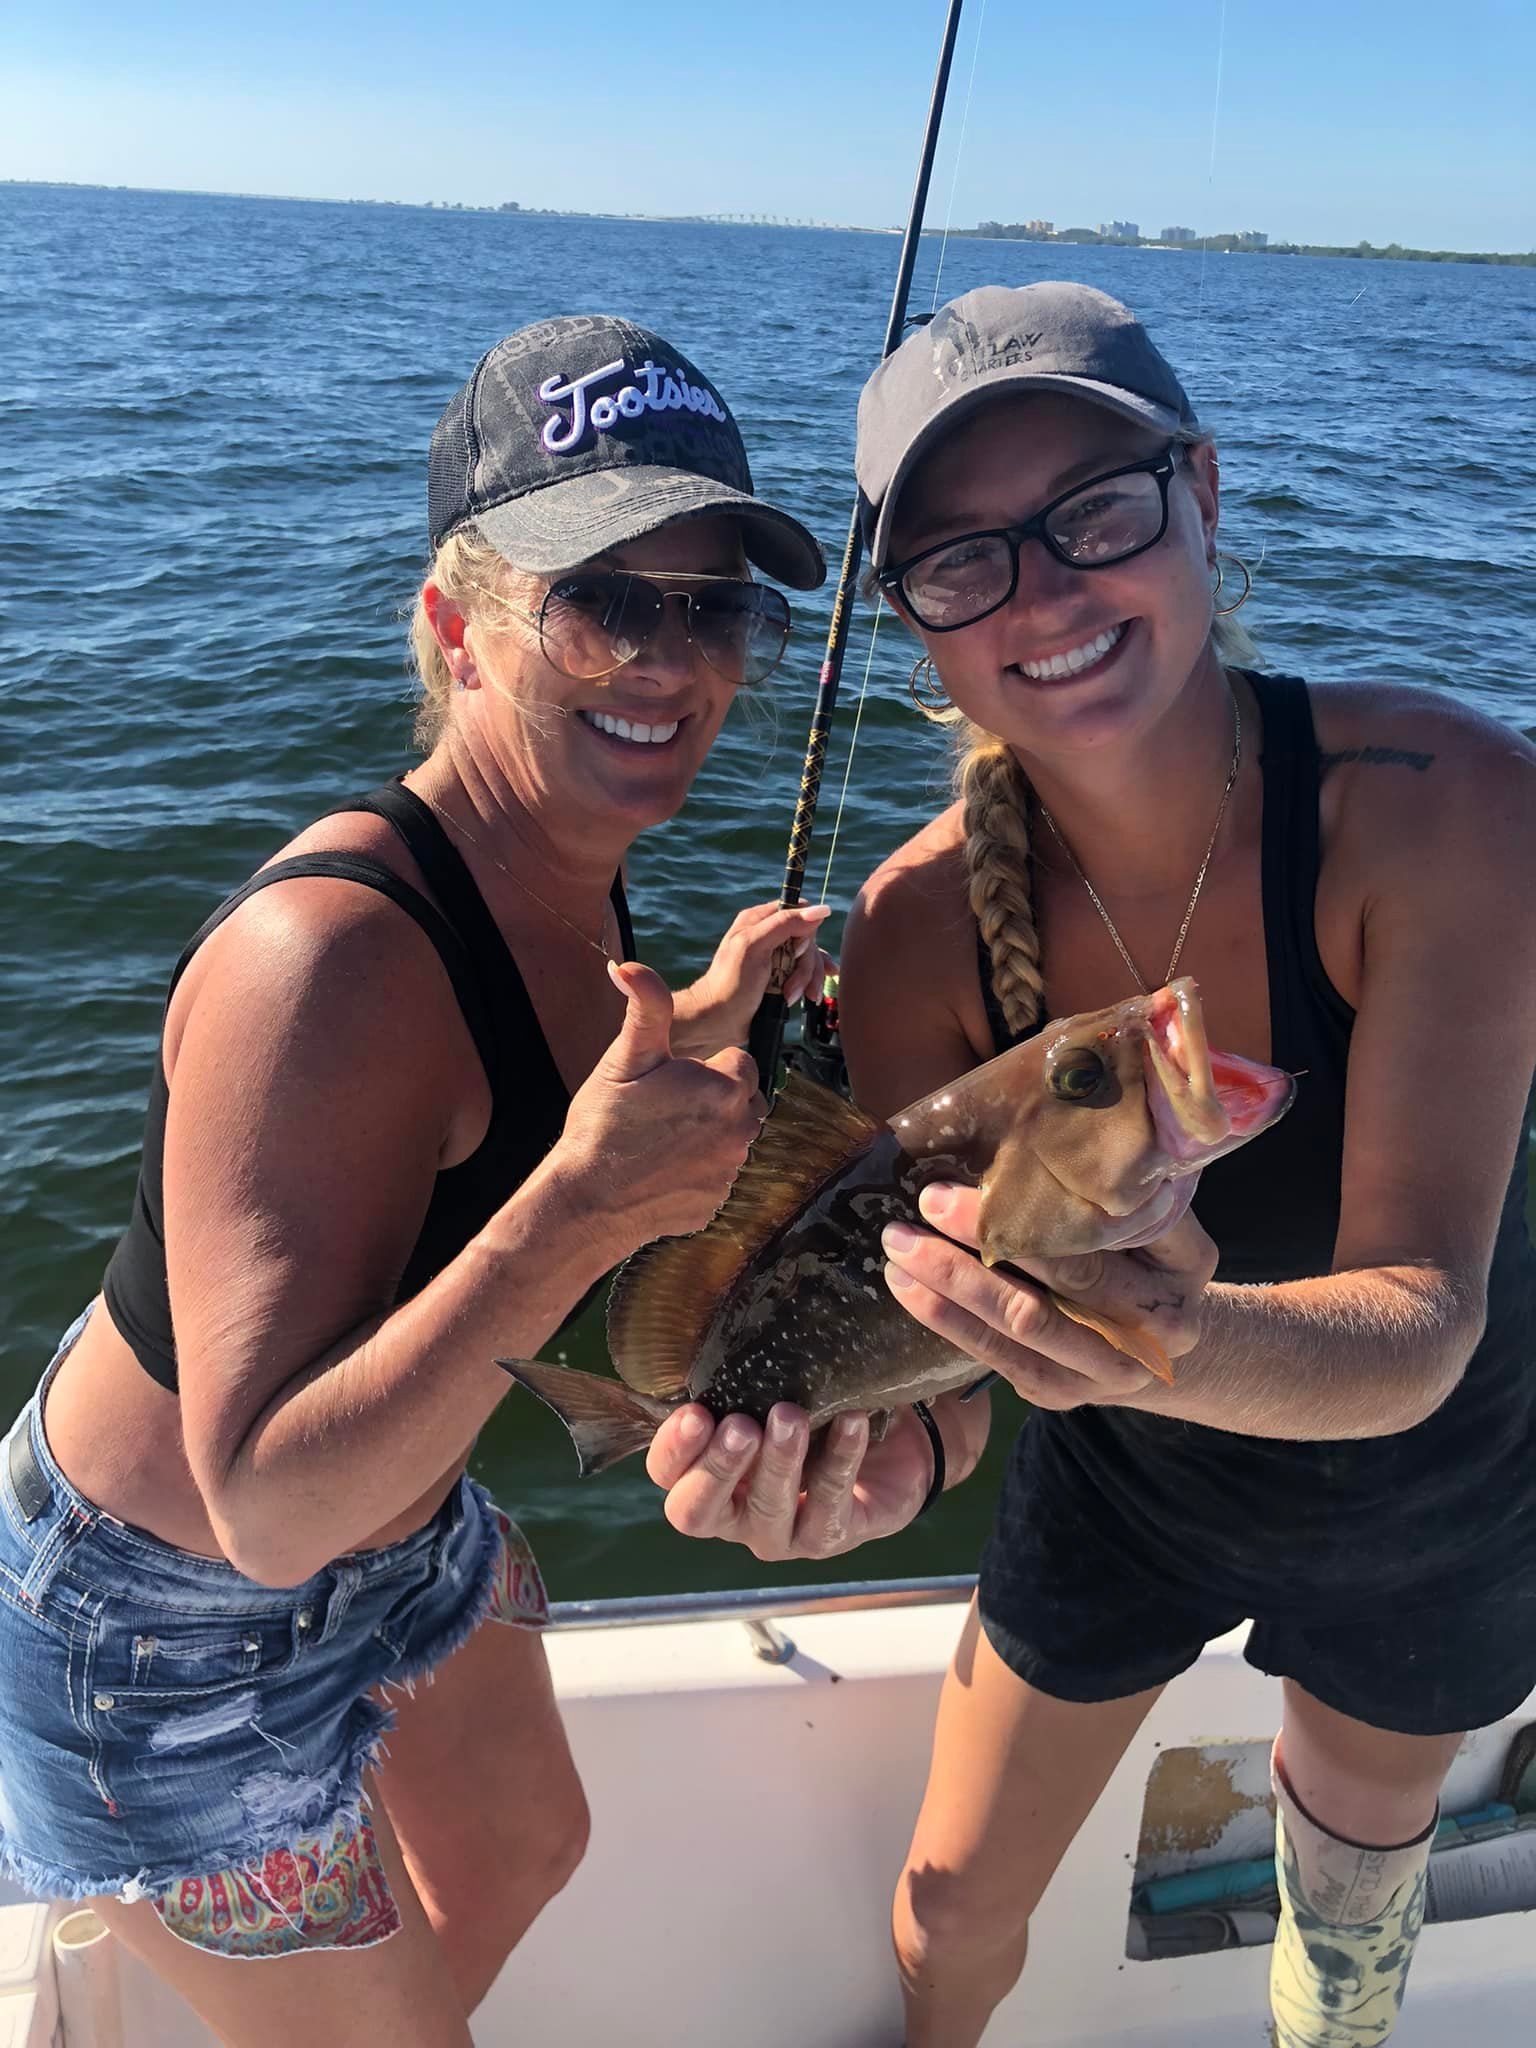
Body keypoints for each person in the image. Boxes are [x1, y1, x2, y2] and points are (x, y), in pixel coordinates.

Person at [646, 282, 1536, 2048]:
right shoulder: (909, 937)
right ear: (919, 625)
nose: (1043, 596)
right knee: (953, 1899)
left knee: (1356, 1882)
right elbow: (960, 1366)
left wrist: (1171, 1340)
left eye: (1095, 515)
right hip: (1122, 1481)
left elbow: (1425, 1320)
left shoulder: (1442, 803)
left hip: (1439, 1489)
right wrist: (896, 1459)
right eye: (964, 562)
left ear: (1202, 495)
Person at [0, 312, 835, 2046]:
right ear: (459, 627)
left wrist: (698, 1030)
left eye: (718, 609)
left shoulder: (574, 884)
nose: (672, 665)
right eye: (607, 601)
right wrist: (591, 1205)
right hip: (158, 1624)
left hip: (394, 1530)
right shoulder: (329, 958)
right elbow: (263, 1507)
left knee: (529, 1844)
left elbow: (482, 1120)